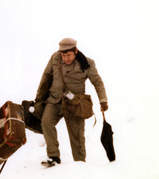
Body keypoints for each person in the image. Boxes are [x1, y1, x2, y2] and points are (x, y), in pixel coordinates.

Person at [36, 38, 108, 166]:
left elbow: (97, 82)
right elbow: (46, 77)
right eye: (63, 55)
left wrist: (103, 100)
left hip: (75, 104)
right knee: (46, 122)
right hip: (55, 100)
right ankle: (53, 157)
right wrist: (39, 99)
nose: (66, 58)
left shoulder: (87, 63)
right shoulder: (55, 58)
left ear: (75, 51)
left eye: (68, 55)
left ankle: (79, 164)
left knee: (77, 136)